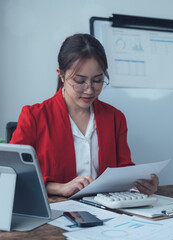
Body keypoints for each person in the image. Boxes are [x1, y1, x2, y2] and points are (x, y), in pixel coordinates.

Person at [10, 33, 159, 197]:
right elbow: (14, 174)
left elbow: (124, 171)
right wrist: (58, 188)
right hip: (56, 211)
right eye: (80, 81)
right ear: (61, 75)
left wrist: (140, 185)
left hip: (108, 212)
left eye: (97, 80)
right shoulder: (34, 116)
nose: (89, 90)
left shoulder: (115, 118)